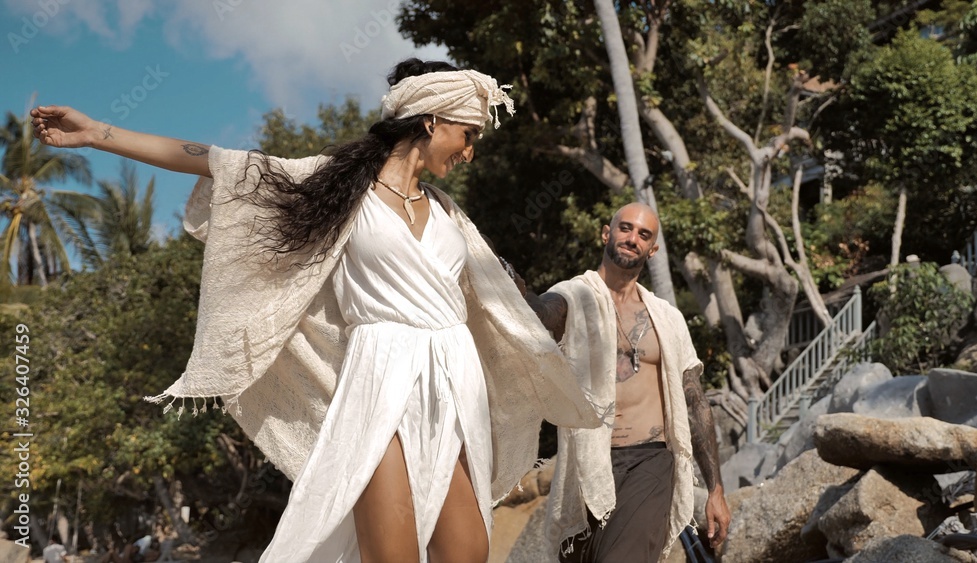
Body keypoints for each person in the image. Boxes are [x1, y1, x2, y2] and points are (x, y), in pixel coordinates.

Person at [31, 58, 598, 563]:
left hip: (454, 383)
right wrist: (98, 134)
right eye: (468, 133)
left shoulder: (449, 213)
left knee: (466, 550)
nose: (471, 150)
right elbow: (220, 164)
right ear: (431, 121)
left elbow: (495, 303)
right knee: (393, 553)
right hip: (379, 375)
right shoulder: (340, 188)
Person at [524, 203, 732, 562]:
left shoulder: (667, 319)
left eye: (643, 234)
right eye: (625, 228)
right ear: (607, 233)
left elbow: (695, 402)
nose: (632, 238)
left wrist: (715, 489)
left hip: (650, 462)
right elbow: (543, 316)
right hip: (588, 463)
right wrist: (507, 282)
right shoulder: (573, 296)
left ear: (653, 250)